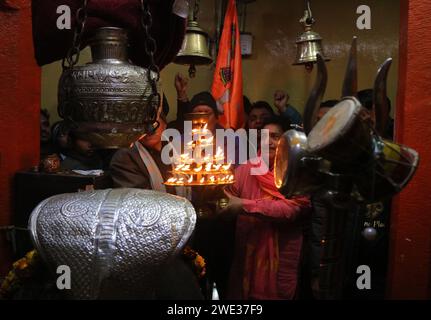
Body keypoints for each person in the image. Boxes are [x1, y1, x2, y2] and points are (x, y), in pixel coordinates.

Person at [223, 118, 310, 300]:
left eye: (275, 136)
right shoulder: (246, 169)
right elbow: (226, 199)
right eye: (264, 137)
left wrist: (243, 205)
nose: (269, 141)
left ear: (286, 141)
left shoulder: (297, 172)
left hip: (282, 254)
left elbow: (291, 210)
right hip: (246, 252)